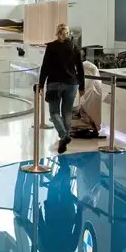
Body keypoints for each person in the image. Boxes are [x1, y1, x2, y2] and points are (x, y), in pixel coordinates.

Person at [38, 23, 85, 154]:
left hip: (55, 83)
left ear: (57, 33)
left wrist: (41, 84)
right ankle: (64, 138)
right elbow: (80, 67)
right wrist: (82, 86)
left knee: (54, 112)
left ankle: (64, 135)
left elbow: (45, 66)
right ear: (67, 33)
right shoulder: (74, 46)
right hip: (72, 83)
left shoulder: (51, 47)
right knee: (67, 112)